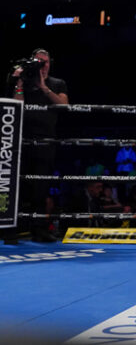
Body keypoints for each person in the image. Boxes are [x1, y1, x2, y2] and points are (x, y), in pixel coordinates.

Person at [6, 48, 69, 242]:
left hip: (45, 141)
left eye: (45, 62)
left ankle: (39, 229)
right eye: (38, 62)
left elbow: (64, 106)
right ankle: (10, 229)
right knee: (15, 186)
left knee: (41, 187)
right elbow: (16, 107)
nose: (42, 65)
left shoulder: (58, 83)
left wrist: (43, 87)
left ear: (50, 63)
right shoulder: (23, 82)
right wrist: (19, 82)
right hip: (20, 141)